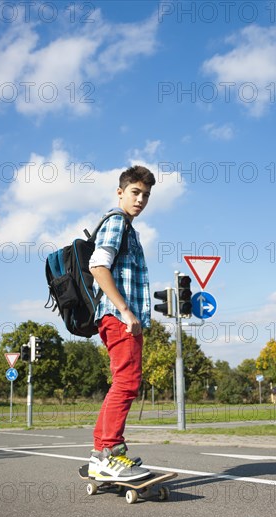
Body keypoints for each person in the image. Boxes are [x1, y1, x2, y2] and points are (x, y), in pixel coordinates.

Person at [88, 165, 155, 481]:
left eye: (146, 195)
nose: (140, 199)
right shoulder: (117, 222)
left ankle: (100, 454)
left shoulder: (127, 227)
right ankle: (110, 453)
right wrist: (126, 311)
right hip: (120, 318)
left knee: (121, 382)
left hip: (118, 318)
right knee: (128, 382)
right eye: (135, 192)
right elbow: (98, 266)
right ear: (120, 192)